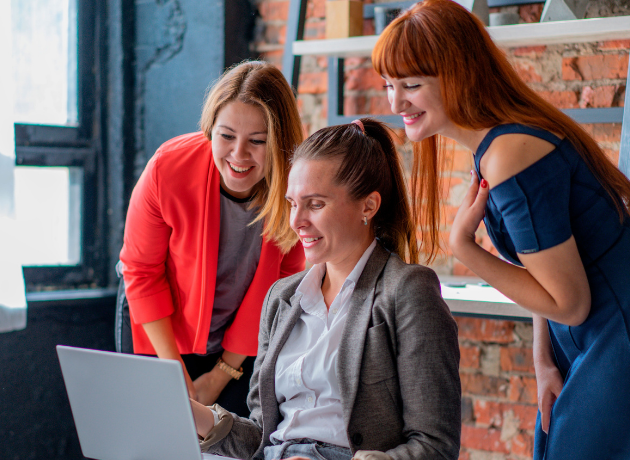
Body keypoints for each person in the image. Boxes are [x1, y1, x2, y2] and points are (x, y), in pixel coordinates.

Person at [372, 1, 630, 458]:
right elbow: (540, 269)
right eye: (389, 85)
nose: (395, 102)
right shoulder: (496, 146)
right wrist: (541, 360)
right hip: (599, 335)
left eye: (411, 85)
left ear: (459, 73)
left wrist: (463, 248)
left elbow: (570, 302)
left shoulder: (508, 155)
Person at [191, 119, 462, 460]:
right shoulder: (282, 298)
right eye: (292, 203)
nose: (297, 221)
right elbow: (263, 438)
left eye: (315, 204)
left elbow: (435, 447)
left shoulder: (406, 292)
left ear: (369, 206)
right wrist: (196, 415)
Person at [116, 61, 306, 416]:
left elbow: (280, 289)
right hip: (159, 327)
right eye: (226, 136)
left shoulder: (296, 185)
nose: (238, 155)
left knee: (229, 443)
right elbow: (141, 270)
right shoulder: (167, 167)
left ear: (279, 142)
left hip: (241, 341)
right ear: (210, 128)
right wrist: (172, 369)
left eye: (258, 141)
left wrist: (223, 373)